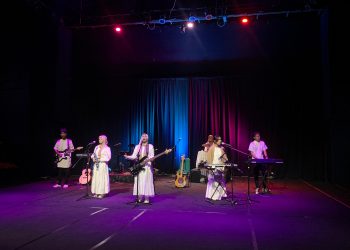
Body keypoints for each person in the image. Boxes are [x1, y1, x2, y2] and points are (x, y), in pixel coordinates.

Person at [124, 133, 155, 204]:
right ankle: (140, 197)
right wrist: (127, 156)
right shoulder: (138, 146)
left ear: (148, 138)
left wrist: (147, 160)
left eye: (145, 136)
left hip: (147, 167)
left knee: (147, 181)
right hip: (139, 167)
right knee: (139, 181)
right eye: (142, 136)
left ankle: (147, 198)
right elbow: (134, 156)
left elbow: (152, 156)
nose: (144, 137)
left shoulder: (150, 146)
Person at [205, 135, 228, 200]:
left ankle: (220, 195)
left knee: (221, 180)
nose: (221, 141)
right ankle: (212, 195)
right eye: (219, 139)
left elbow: (225, 159)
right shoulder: (211, 148)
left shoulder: (221, 148)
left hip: (220, 167)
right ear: (215, 141)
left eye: (221, 139)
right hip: (213, 168)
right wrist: (211, 167)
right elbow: (209, 159)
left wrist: (224, 155)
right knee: (213, 181)